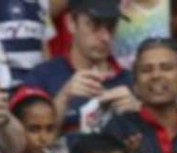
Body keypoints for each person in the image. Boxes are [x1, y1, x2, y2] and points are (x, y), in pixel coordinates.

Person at [22, 0, 135, 139]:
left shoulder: (131, 81)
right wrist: (63, 98)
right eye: (94, 25)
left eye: (112, 26)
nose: (105, 37)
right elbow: (24, 146)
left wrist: (140, 114)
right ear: (71, 23)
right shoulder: (42, 77)